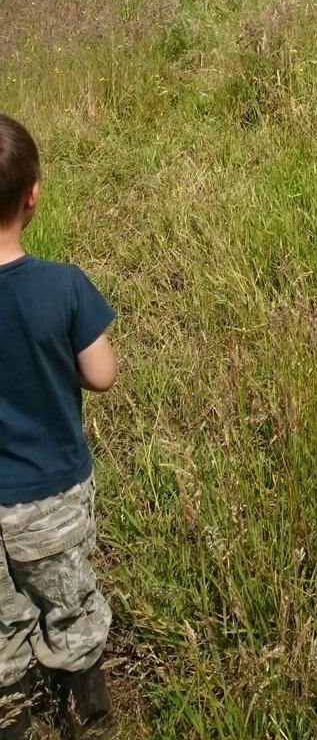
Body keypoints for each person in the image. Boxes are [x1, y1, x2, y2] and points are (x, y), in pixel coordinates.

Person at [0, 116, 117, 738]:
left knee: (0, 630)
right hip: (50, 497)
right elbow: (101, 376)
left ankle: (14, 720)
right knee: (69, 607)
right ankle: (85, 720)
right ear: (33, 193)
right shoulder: (63, 285)